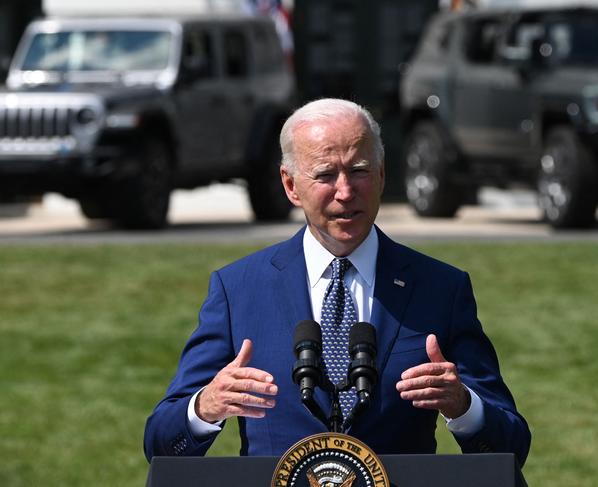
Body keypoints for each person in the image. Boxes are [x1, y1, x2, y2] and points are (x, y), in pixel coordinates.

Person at [143, 98, 531, 465]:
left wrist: (463, 406)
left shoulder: (440, 289)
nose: (345, 192)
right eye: (326, 175)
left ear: (381, 174)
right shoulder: (239, 290)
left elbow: (511, 445)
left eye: (359, 171)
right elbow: (161, 443)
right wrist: (205, 406)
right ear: (291, 185)